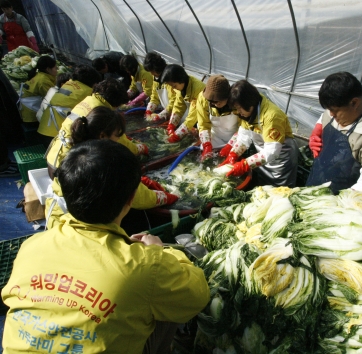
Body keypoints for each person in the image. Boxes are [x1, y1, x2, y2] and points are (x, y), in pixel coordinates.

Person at [2, 139, 210, 353]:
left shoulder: (31, 246)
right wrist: (163, 254)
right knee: (168, 300)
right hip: (154, 269)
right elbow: (197, 296)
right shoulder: (146, 266)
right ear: (131, 199)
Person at [44, 106, 178, 230]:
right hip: (76, 225)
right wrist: (164, 197)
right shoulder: (107, 161)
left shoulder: (79, 150)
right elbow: (137, 197)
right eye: (117, 136)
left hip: (57, 216)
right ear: (102, 136)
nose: (120, 140)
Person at [46, 78, 148, 166]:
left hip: (55, 154)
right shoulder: (102, 112)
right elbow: (121, 142)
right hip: (71, 163)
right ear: (115, 103)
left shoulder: (89, 99)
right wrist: (139, 148)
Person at [219, 80, 299, 187]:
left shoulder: (272, 116)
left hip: (280, 159)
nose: (238, 112)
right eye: (236, 108)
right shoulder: (248, 112)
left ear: (249, 103)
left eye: (239, 108)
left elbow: (272, 152)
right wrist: (233, 154)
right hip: (263, 158)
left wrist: (245, 165)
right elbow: (244, 137)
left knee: (280, 192)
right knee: (264, 188)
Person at [37, 65, 102, 146]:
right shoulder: (87, 92)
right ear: (93, 82)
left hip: (44, 129)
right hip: (56, 135)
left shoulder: (68, 83)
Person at [197, 74, 240, 160]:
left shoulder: (237, 102)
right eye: (211, 101)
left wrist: (230, 145)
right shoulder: (203, 99)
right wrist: (207, 145)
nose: (214, 104)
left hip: (234, 138)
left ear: (227, 97)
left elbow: (244, 127)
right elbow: (203, 124)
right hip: (214, 136)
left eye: (218, 101)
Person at [160, 64, 205, 143]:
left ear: (181, 79)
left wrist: (177, 135)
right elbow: (179, 106)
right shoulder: (180, 87)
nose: (173, 88)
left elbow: (193, 115)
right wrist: (171, 125)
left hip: (206, 119)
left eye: (174, 86)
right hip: (195, 119)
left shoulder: (198, 89)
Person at [18, 55, 57, 124]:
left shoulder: (40, 75)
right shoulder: (43, 81)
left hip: (27, 112)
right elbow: (54, 99)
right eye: (55, 68)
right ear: (48, 69)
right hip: (32, 115)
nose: (57, 69)